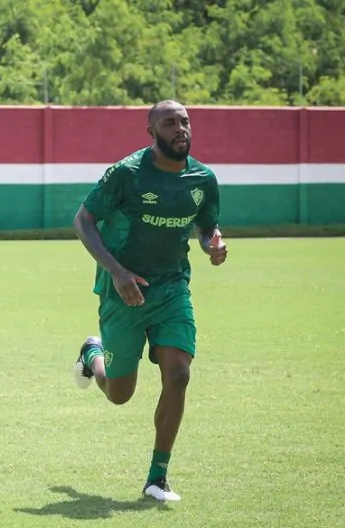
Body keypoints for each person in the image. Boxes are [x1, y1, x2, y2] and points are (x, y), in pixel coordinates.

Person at [70, 99, 228, 502]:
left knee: (179, 374)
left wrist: (213, 242)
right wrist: (117, 272)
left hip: (172, 288)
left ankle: (158, 477)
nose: (180, 129)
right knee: (119, 393)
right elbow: (83, 221)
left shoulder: (202, 179)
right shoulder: (127, 174)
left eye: (185, 121)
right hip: (124, 291)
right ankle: (92, 354)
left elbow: (206, 225)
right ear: (152, 132)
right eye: (169, 123)